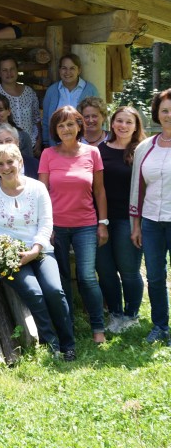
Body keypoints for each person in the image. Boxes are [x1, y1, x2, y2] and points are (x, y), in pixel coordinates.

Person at [0, 143, 75, 360]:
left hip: (40, 249)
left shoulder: (37, 188)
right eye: (0, 163)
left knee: (54, 290)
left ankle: (69, 343)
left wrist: (36, 249)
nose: (6, 167)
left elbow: (46, 223)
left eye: (10, 162)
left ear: (20, 162)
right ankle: (51, 343)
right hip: (8, 255)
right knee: (34, 292)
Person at [39, 106, 108, 343]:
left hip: (86, 224)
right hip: (56, 226)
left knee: (88, 277)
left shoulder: (92, 153)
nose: (66, 129)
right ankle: (67, 325)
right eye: (60, 125)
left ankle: (97, 327)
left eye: (70, 124)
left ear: (79, 126)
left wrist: (103, 223)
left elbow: (99, 191)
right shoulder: (48, 154)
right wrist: (45, 228)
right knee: (62, 277)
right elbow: (42, 193)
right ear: (55, 130)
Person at [97, 106, 145, 334]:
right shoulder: (99, 150)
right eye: (119, 121)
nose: (123, 126)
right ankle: (115, 314)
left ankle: (131, 315)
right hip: (103, 218)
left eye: (128, 122)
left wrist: (140, 223)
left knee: (128, 270)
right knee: (105, 270)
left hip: (129, 219)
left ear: (136, 127)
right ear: (112, 123)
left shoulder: (142, 151)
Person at [130, 88, 171, 344]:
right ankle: (160, 326)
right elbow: (137, 187)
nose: (169, 115)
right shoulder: (145, 147)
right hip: (152, 223)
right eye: (165, 110)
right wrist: (136, 224)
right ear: (157, 113)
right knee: (155, 276)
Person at [0, 55, 42, 154]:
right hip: (5, 148)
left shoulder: (29, 92)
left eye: (12, 69)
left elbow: (36, 119)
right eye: (4, 70)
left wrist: (39, 142)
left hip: (30, 146)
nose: (9, 73)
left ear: (17, 70)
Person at [41, 54, 99, 147]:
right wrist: (45, 143)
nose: (68, 72)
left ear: (79, 70)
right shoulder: (52, 91)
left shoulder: (91, 90)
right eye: (64, 68)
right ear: (59, 70)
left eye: (72, 68)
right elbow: (46, 120)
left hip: (85, 145)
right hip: (57, 145)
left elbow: (99, 118)